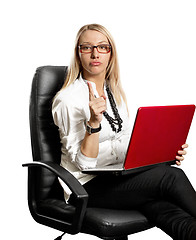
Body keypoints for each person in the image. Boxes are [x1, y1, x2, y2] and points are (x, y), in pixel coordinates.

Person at [52, 23, 196, 240]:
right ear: (78, 53)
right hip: (85, 188)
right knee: (170, 177)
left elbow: (125, 139)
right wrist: (93, 123)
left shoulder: (114, 92)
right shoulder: (67, 100)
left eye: (102, 47)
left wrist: (161, 152)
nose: (95, 54)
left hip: (117, 175)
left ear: (111, 53)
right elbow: (85, 164)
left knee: (165, 210)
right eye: (87, 47)